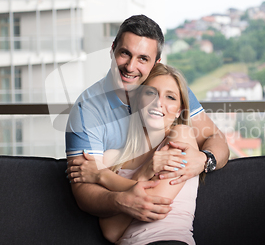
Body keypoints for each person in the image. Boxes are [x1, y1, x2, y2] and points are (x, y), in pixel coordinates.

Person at [17, 64, 208, 245]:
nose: (160, 103)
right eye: (151, 93)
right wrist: (139, 174)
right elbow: (112, 229)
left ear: (180, 108)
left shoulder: (180, 144)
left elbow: (149, 206)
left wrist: (103, 176)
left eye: (171, 97)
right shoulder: (115, 155)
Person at [66, 15, 229, 225]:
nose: (130, 66)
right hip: (113, 225)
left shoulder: (170, 92)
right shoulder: (87, 109)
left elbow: (216, 138)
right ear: (112, 49)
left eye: (143, 58)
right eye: (125, 53)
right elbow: (83, 190)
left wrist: (206, 160)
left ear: (156, 63)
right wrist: (122, 201)